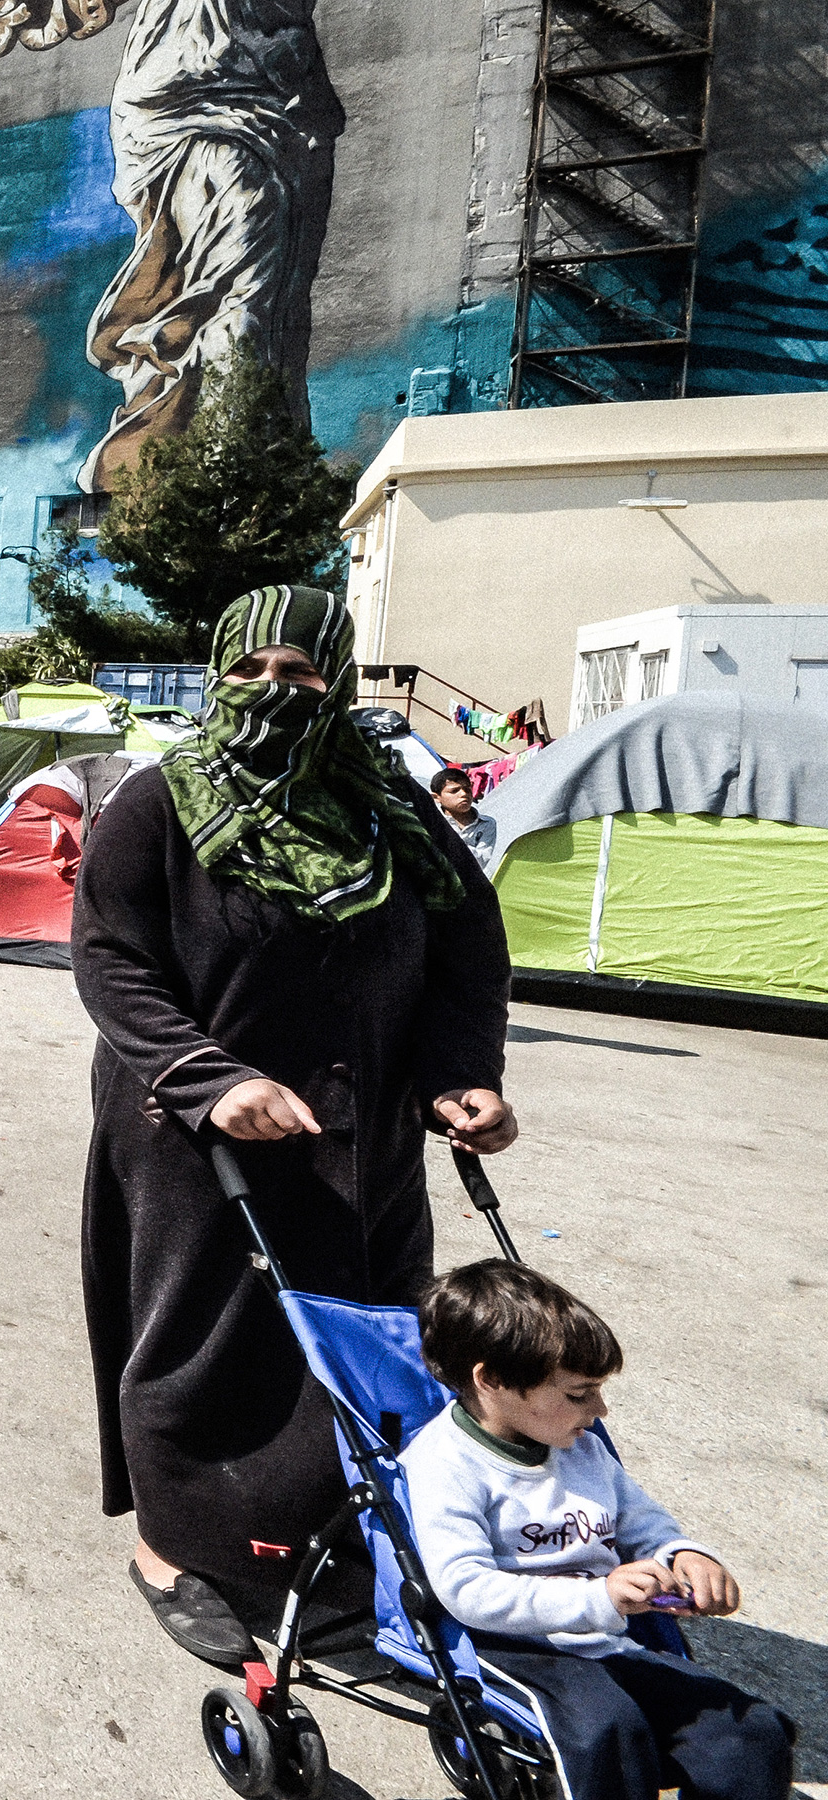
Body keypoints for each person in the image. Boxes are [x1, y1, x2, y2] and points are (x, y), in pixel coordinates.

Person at [72, 584, 516, 1668]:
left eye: (302, 672)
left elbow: (468, 951)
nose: (274, 690)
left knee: (365, 1335)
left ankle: (328, 1533)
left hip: (368, 1131)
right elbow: (111, 957)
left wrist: (461, 1078)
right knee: (205, 1341)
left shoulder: (390, 809)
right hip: (198, 1134)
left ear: (340, 683)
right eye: (249, 670)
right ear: (216, 676)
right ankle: (174, 1548)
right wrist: (208, 1077)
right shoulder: (160, 801)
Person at [404, 1261, 791, 1800]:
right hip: (513, 1647)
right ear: (490, 1381)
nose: (600, 1410)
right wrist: (599, 1596)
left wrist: (682, 1555)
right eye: (579, 1394)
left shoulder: (580, 1449)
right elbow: (466, 1589)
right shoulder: (445, 1465)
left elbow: (642, 1522)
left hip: (603, 1640)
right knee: (611, 1731)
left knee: (749, 1731)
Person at [432, 764, 497, 871]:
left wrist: (452, 843)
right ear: (436, 797)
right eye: (454, 791)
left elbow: (480, 862)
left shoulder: (486, 823)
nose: (463, 794)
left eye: (467, 789)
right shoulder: (431, 822)